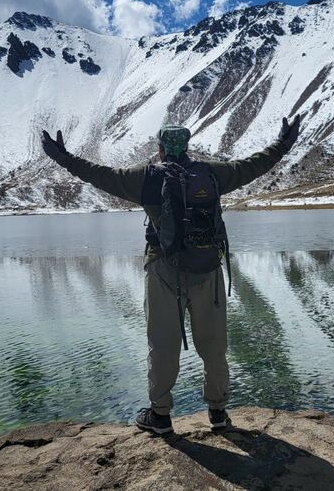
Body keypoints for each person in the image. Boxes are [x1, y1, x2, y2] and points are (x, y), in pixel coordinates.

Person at [41, 115, 301, 434]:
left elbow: (99, 175)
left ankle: (161, 416)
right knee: (214, 346)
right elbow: (253, 166)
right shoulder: (212, 174)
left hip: (164, 270)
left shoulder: (146, 178)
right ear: (187, 146)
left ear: (161, 149)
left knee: (163, 344)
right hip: (208, 268)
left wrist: (63, 157)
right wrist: (283, 144)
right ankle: (218, 412)